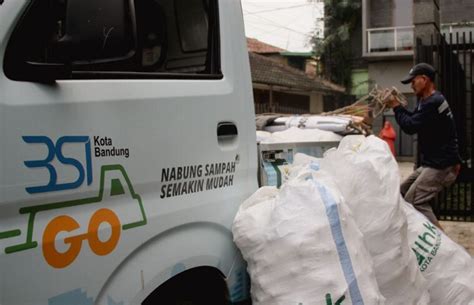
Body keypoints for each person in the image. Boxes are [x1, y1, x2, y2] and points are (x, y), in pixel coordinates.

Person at [386, 63, 461, 229]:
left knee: (414, 200)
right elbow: (414, 119)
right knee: (401, 193)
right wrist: (400, 107)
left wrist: (396, 107)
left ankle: (442, 243)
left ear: (424, 79)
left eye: (413, 81)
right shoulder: (427, 101)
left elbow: (410, 126)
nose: (411, 85)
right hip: (434, 163)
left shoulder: (433, 102)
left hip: (442, 165)